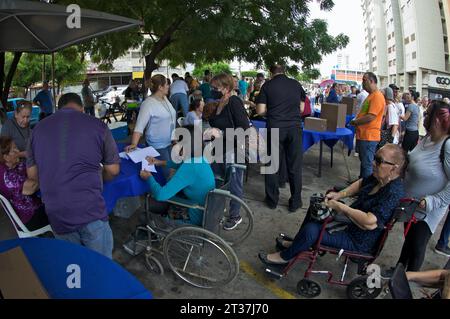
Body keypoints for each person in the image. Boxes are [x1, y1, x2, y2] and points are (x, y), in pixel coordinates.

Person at [259, 144, 406, 265]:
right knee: (317, 206)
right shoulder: (377, 178)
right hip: (350, 223)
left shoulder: (393, 191)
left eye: (379, 160)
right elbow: (361, 183)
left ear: (394, 167)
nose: (373, 163)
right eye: (375, 158)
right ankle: (298, 244)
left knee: (312, 230)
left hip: (357, 239)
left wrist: (341, 206)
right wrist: (339, 195)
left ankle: (285, 257)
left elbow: (369, 222)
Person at [26, 93, 120, 258]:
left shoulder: (38, 128)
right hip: (90, 208)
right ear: (82, 108)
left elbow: (32, 174)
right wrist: (101, 179)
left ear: (58, 108)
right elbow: (113, 170)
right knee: (101, 267)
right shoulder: (98, 125)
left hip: (57, 212)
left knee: (73, 265)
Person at [397, 101, 450, 270]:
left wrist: (432, 201)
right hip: (411, 203)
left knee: (417, 245)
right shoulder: (427, 138)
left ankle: (408, 280)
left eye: (427, 114)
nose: (423, 117)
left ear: (435, 120)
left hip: (429, 209)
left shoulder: (447, 145)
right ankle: (399, 269)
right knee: (409, 238)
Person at [256, 64, 305, 212]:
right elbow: (301, 109)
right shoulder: (296, 84)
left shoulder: (267, 86)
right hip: (295, 128)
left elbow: (260, 111)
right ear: (285, 72)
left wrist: (273, 111)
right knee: (295, 166)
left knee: (271, 165)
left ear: (271, 73)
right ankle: (295, 202)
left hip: (275, 127)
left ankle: (272, 200)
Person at [209, 73, 250, 230]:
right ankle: (218, 211)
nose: (212, 90)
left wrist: (221, 133)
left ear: (225, 88)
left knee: (234, 185)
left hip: (233, 150)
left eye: (215, 88)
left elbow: (244, 128)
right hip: (219, 149)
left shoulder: (234, 101)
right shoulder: (221, 102)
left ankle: (235, 215)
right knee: (218, 181)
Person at [126, 74, 176, 179]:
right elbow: (139, 126)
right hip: (157, 145)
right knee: (168, 174)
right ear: (160, 87)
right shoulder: (148, 104)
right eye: (167, 84)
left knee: (173, 169)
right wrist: (134, 144)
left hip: (170, 142)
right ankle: (163, 193)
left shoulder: (165, 98)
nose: (168, 86)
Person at [0, 136, 49, 230]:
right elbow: (32, 187)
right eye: (14, 149)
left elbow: (27, 168)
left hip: (35, 206)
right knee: (61, 207)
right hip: (30, 217)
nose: (18, 150)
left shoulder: (14, 165)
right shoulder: (7, 176)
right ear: (6, 157)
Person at [350, 72, 385, 178]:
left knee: (367, 164)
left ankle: (365, 188)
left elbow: (371, 117)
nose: (362, 82)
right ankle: (361, 184)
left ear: (371, 81)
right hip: (364, 135)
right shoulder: (371, 96)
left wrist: (356, 122)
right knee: (364, 163)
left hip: (369, 136)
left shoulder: (377, 96)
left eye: (364, 80)